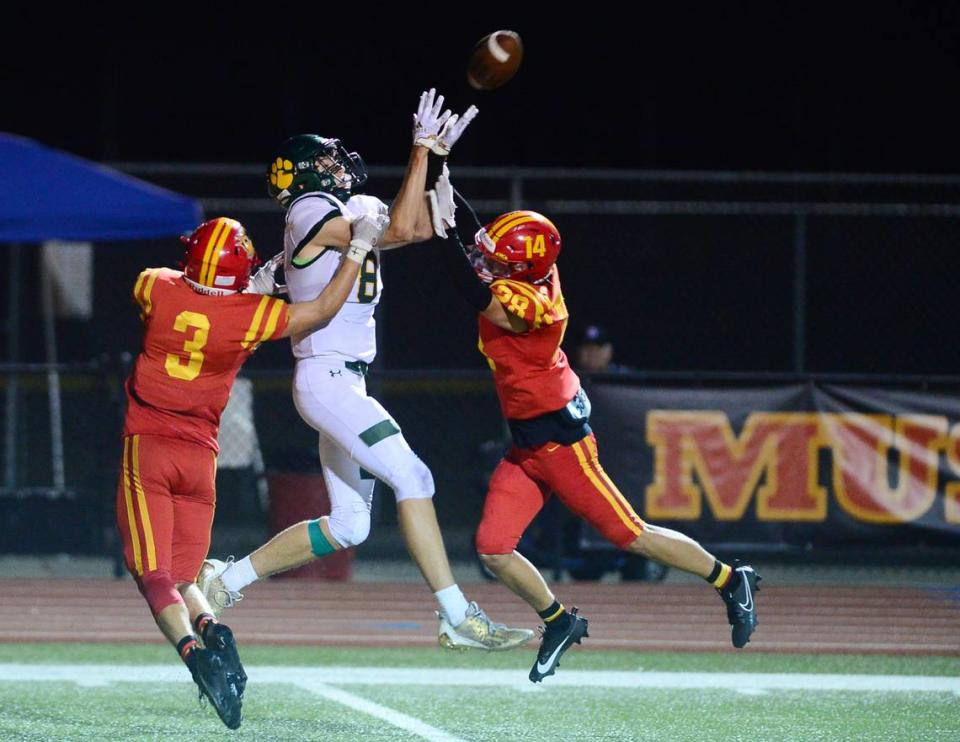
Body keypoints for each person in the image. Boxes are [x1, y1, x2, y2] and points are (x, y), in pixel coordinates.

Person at [199, 89, 534, 652]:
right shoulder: (308, 209)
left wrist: (433, 157)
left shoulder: (341, 212)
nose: (340, 165)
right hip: (328, 377)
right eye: (326, 161)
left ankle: (225, 580)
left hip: (339, 380)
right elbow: (395, 228)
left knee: (351, 524)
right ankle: (456, 615)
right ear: (305, 174)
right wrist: (418, 155)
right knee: (415, 478)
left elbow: (415, 226)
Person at [427, 165, 761, 683]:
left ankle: (727, 578)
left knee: (631, 535)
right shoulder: (529, 271)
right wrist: (437, 168)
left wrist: (443, 231)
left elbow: (472, 290)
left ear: (523, 269)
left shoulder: (531, 303)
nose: (487, 261)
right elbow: (475, 241)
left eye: (499, 260)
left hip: (560, 442)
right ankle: (559, 621)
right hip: (526, 442)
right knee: (494, 548)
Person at [117, 212, 384, 728]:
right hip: (200, 458)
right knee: (184, 575)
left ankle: (198, 659)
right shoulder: (253, 314)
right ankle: (214, 629)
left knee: (153, 577)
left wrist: (236, 287)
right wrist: (357, 249)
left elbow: (170, 293)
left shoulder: (157, 285)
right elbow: (324, 309)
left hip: (149, 446)